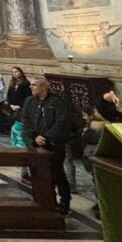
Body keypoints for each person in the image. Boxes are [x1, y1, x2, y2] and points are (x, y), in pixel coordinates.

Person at [22, 75, 71, 216]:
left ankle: (64, 201)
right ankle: (47, 200)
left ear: (44, 87)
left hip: (54, 144)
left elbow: (61, 122)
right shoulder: (29, 101)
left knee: (57, 173)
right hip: (36, 143)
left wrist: (47, 137)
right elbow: (25, 120)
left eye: (34, 85)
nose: (31, 87)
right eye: (31, 84)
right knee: (40, 174)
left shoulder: (57, 102)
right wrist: (35, 136)